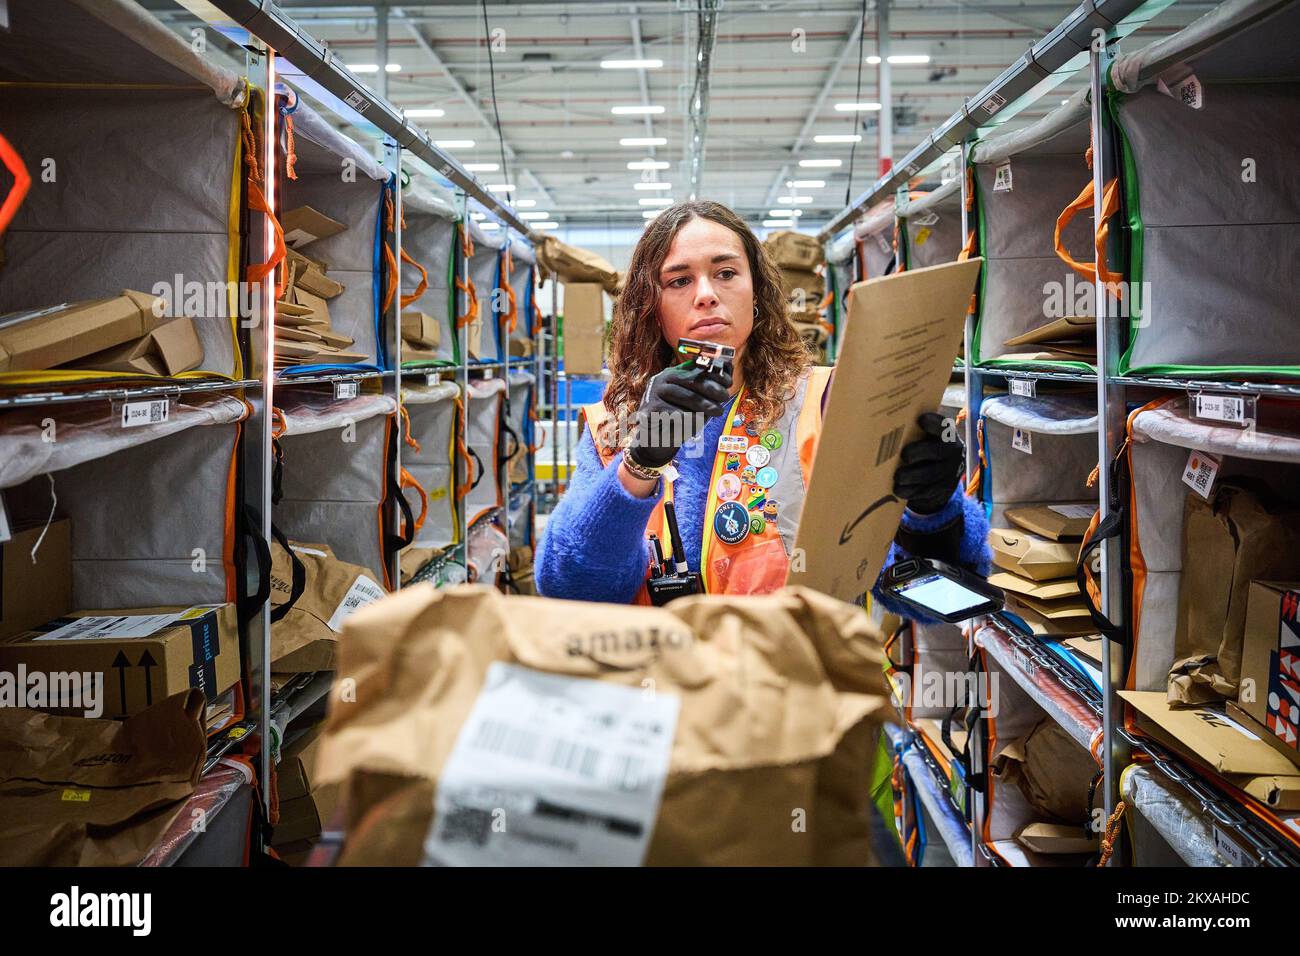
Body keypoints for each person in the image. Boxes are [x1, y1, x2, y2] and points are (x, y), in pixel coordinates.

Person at [535, 200, 989, 615]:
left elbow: (923, 597)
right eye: (679, 280)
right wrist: (638, 465)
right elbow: (571, 589)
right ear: (652, 307)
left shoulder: (826, 403)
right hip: (660, 693)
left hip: (789, 695)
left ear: (758, 293)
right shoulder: (616, 423)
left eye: (726, 273)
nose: (706, 294)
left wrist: (930, 514)